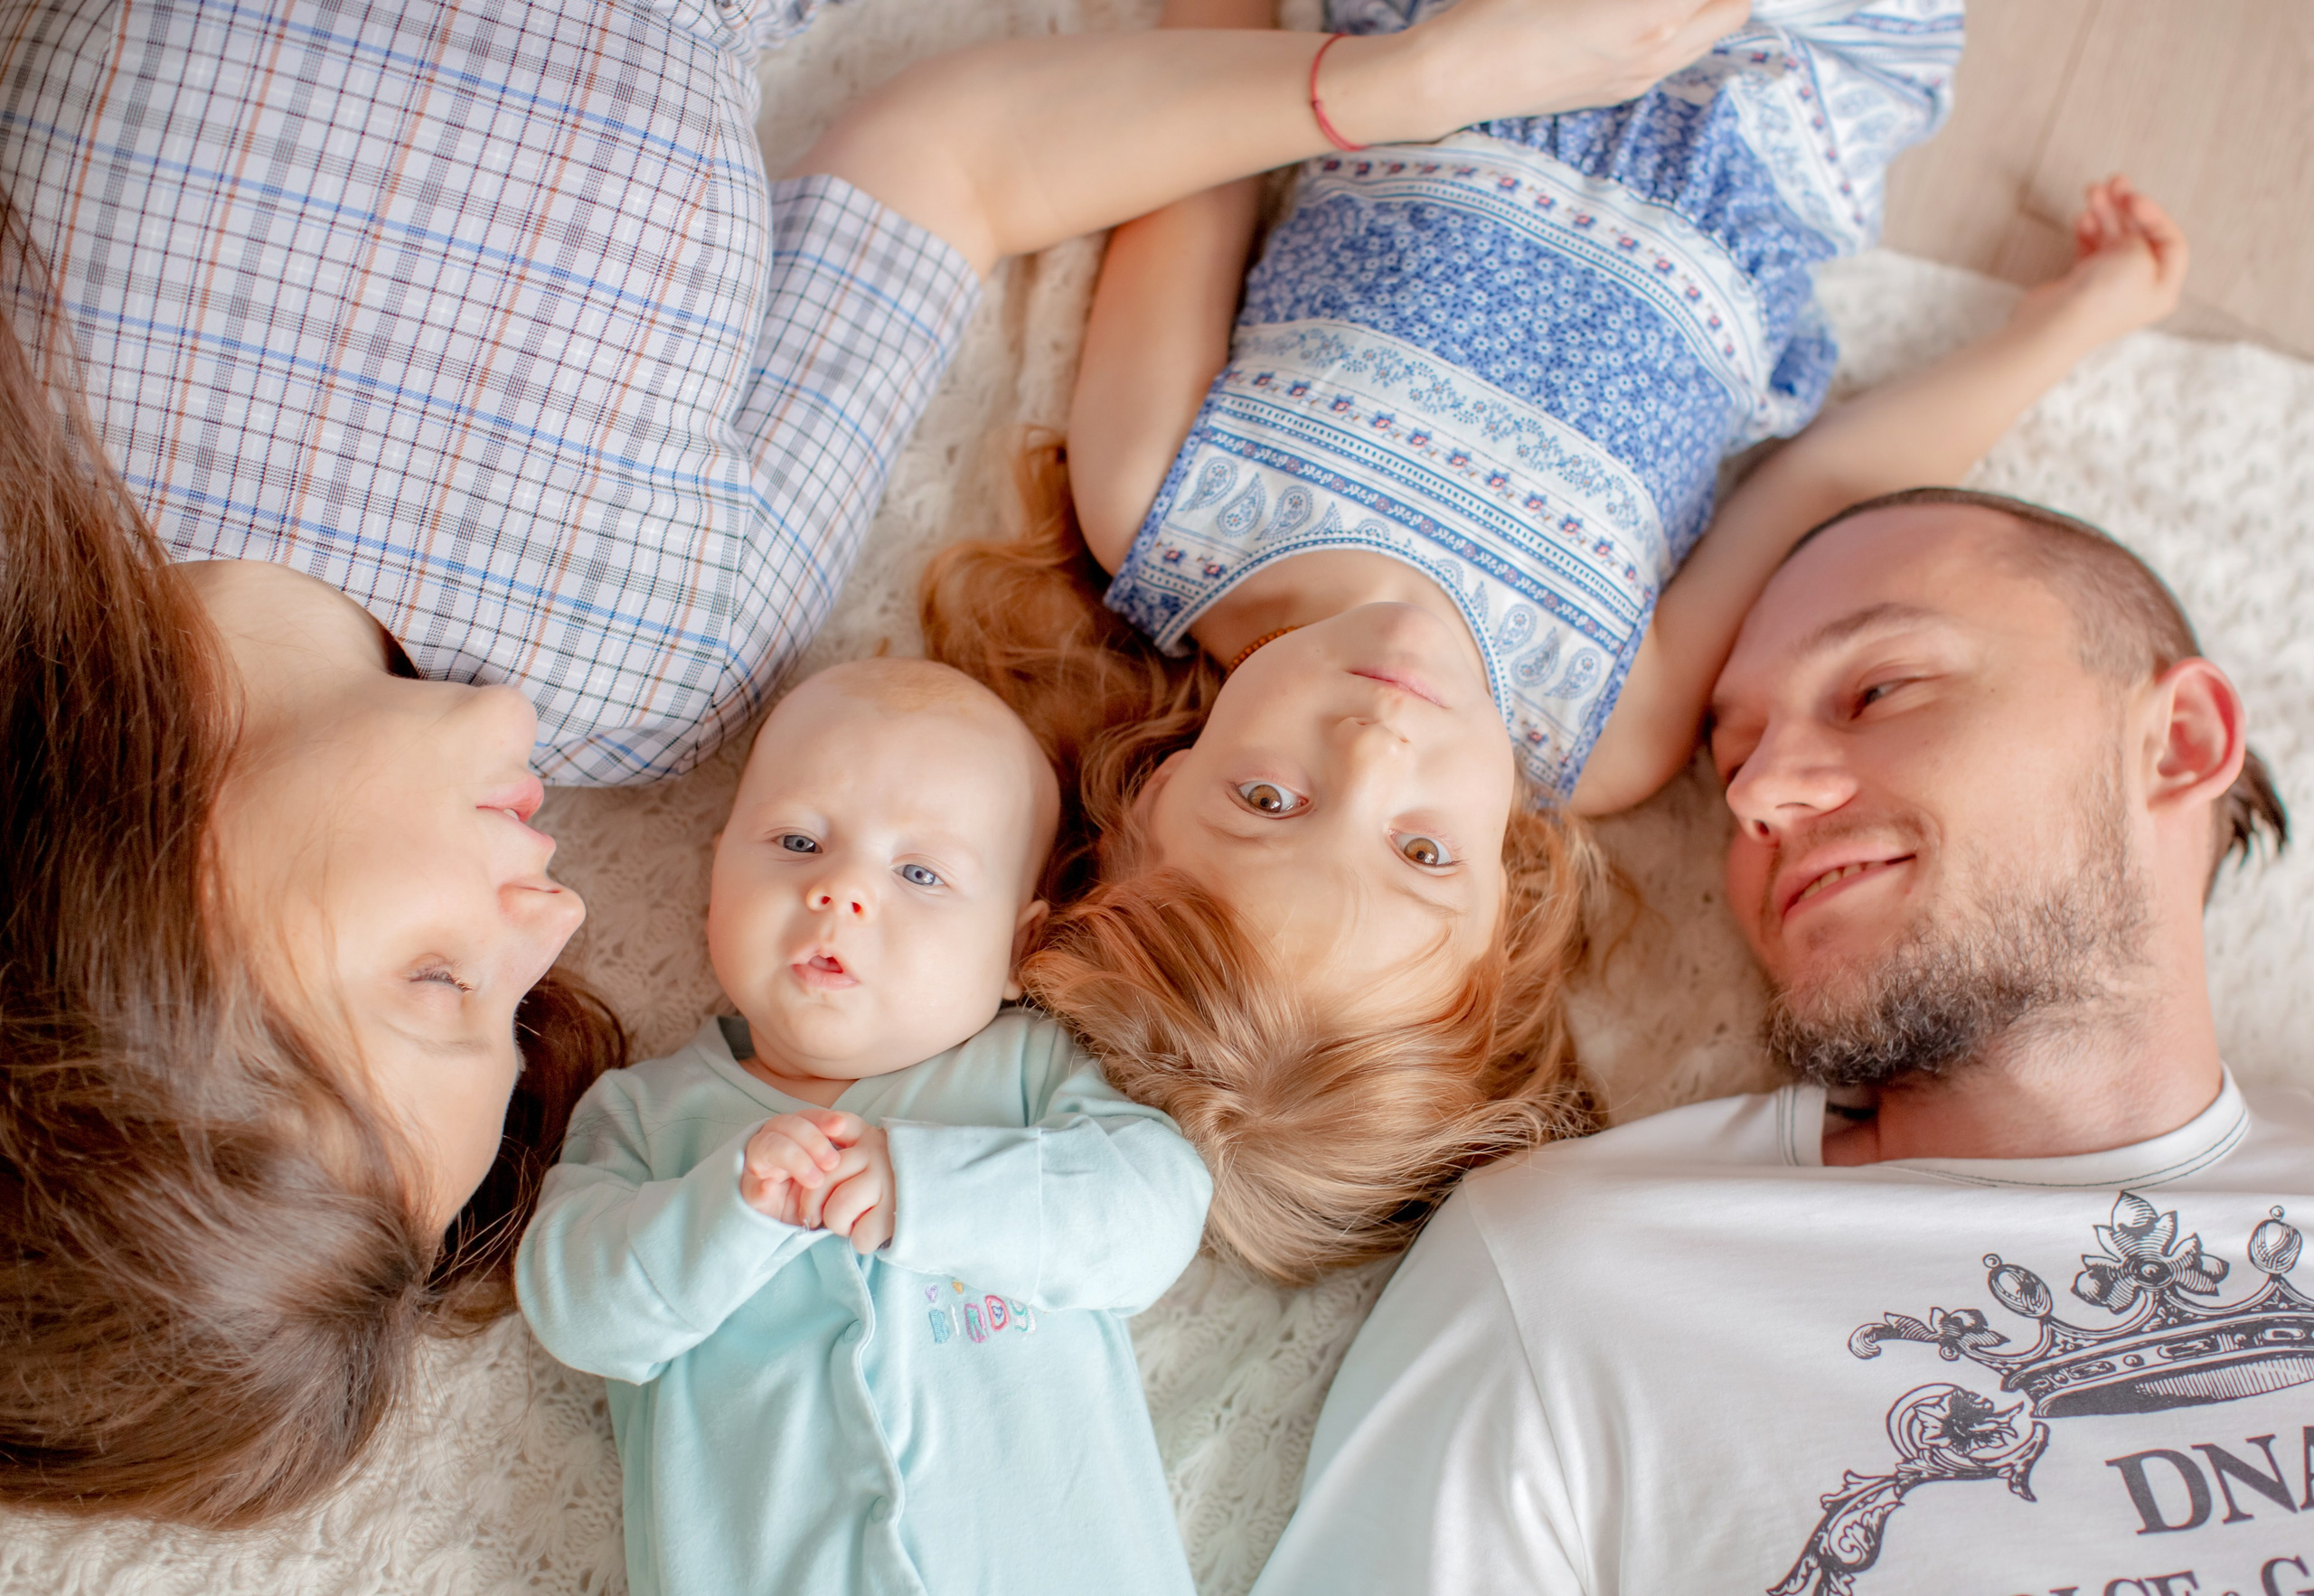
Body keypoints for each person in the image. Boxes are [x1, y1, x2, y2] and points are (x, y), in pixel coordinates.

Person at [0, 0, 1747, 1525]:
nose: (552, 920)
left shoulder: (31, 434)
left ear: (155, 913)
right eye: (515, 1005)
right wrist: (1416, 75)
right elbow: (949, 166)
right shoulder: (657, 660)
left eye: (442, 977)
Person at [927, 0, 2198, 1283]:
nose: (1376, 745)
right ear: (1508, 905)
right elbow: (1827, 484)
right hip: (1772, 102)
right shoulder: (1603, 727)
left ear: (1151, 789)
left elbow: (1193, 135)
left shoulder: (1158, 500)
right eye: (1423, 849)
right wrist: (2071, 325)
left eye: (1269, 797)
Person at [1246, 486, 2296, 1596]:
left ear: (2178, 741)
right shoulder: (1577, 1276)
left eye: (1877, 689)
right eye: (1731, 758)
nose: (1756, 794)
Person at [516, 660, 1210, 1596]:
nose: (841, 888)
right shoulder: (649, 1116)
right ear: (715, 874)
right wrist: (726, 1211)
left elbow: (1152, 1212)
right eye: (798, 840)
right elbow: (578, 1308)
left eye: (920, 871)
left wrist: (930, 1189)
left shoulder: (1033, 1077)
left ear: (1019, 946)